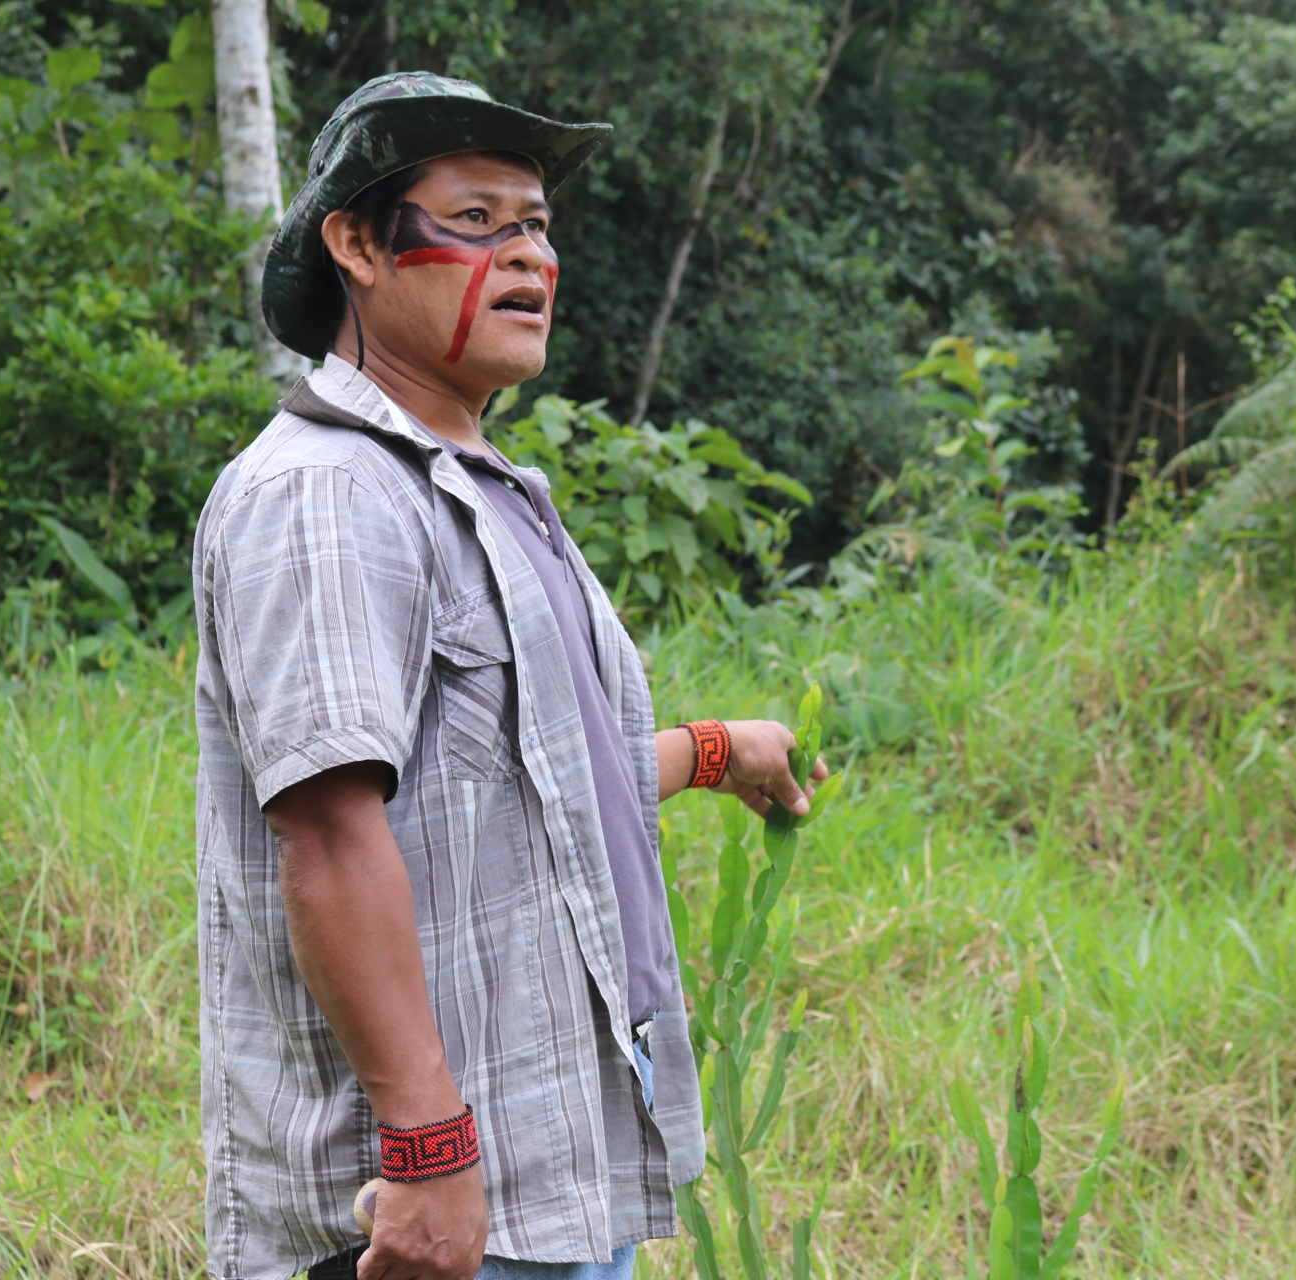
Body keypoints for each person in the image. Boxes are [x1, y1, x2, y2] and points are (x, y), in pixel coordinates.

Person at [192, 72, 825, 1280]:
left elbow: (510, 787)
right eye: (478, 219)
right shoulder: (325, 494)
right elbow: (330, 836)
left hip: (544, 1177)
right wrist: (430, 1151)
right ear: (358, 245)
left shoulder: (476, 484)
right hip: (412, 1212)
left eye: (536, 224)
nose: (530, 255)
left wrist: (704, 751)